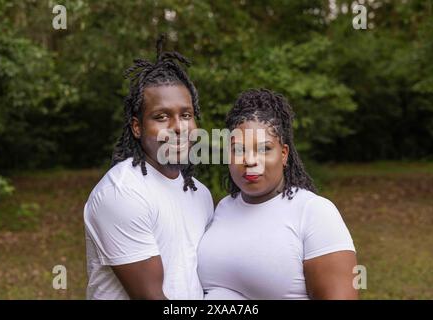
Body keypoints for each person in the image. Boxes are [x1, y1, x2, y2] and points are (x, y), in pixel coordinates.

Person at [83, 36, 214, 300]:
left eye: (186, 115)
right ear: (137, 127)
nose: (178, 127)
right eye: (161, 116)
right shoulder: (122, 194)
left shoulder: (200, 194)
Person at [198, 89, 357, 300]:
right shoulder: (224, 208)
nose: (250, 160)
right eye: (239, 150)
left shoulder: (314, 212)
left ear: (283, 154)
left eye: (264, 149)